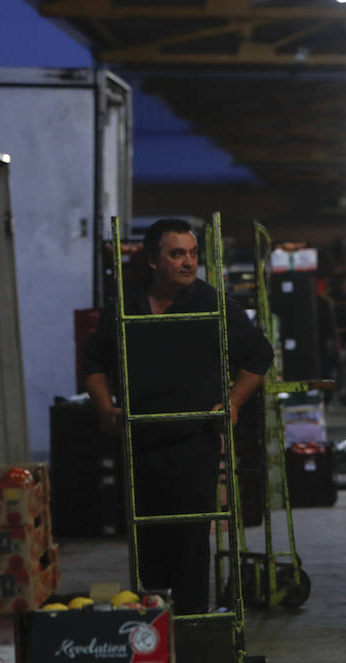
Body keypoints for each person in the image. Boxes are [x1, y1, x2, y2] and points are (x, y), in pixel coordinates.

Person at [82, 218, 274, 612]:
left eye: (192, 254)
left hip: (193, 442)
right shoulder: (126, 306)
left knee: (188, 542)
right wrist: (105, 407)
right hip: (138, 440)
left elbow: (259, 356)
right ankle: (152, 629)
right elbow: (94, 363)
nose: (188, 263)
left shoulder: (212, 304)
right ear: (153, 260)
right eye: (177, 254)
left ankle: (190, 628)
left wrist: (233, 402)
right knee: (145, 542)